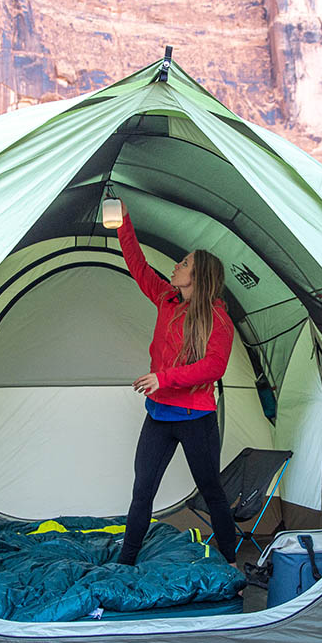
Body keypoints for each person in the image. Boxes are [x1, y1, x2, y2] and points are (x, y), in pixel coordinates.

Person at [113, 201, 239, 566]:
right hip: (159, 415)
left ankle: (230, 559)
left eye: (184, 264)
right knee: (142, 492)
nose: (176, 266)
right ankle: (126, 561)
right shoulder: (167, 298)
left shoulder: (218, 318)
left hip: (195, 418)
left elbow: (213, 368)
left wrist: (163, 378)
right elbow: (137, 265)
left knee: (212, 490)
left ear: (198, 277)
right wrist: (123, 221)